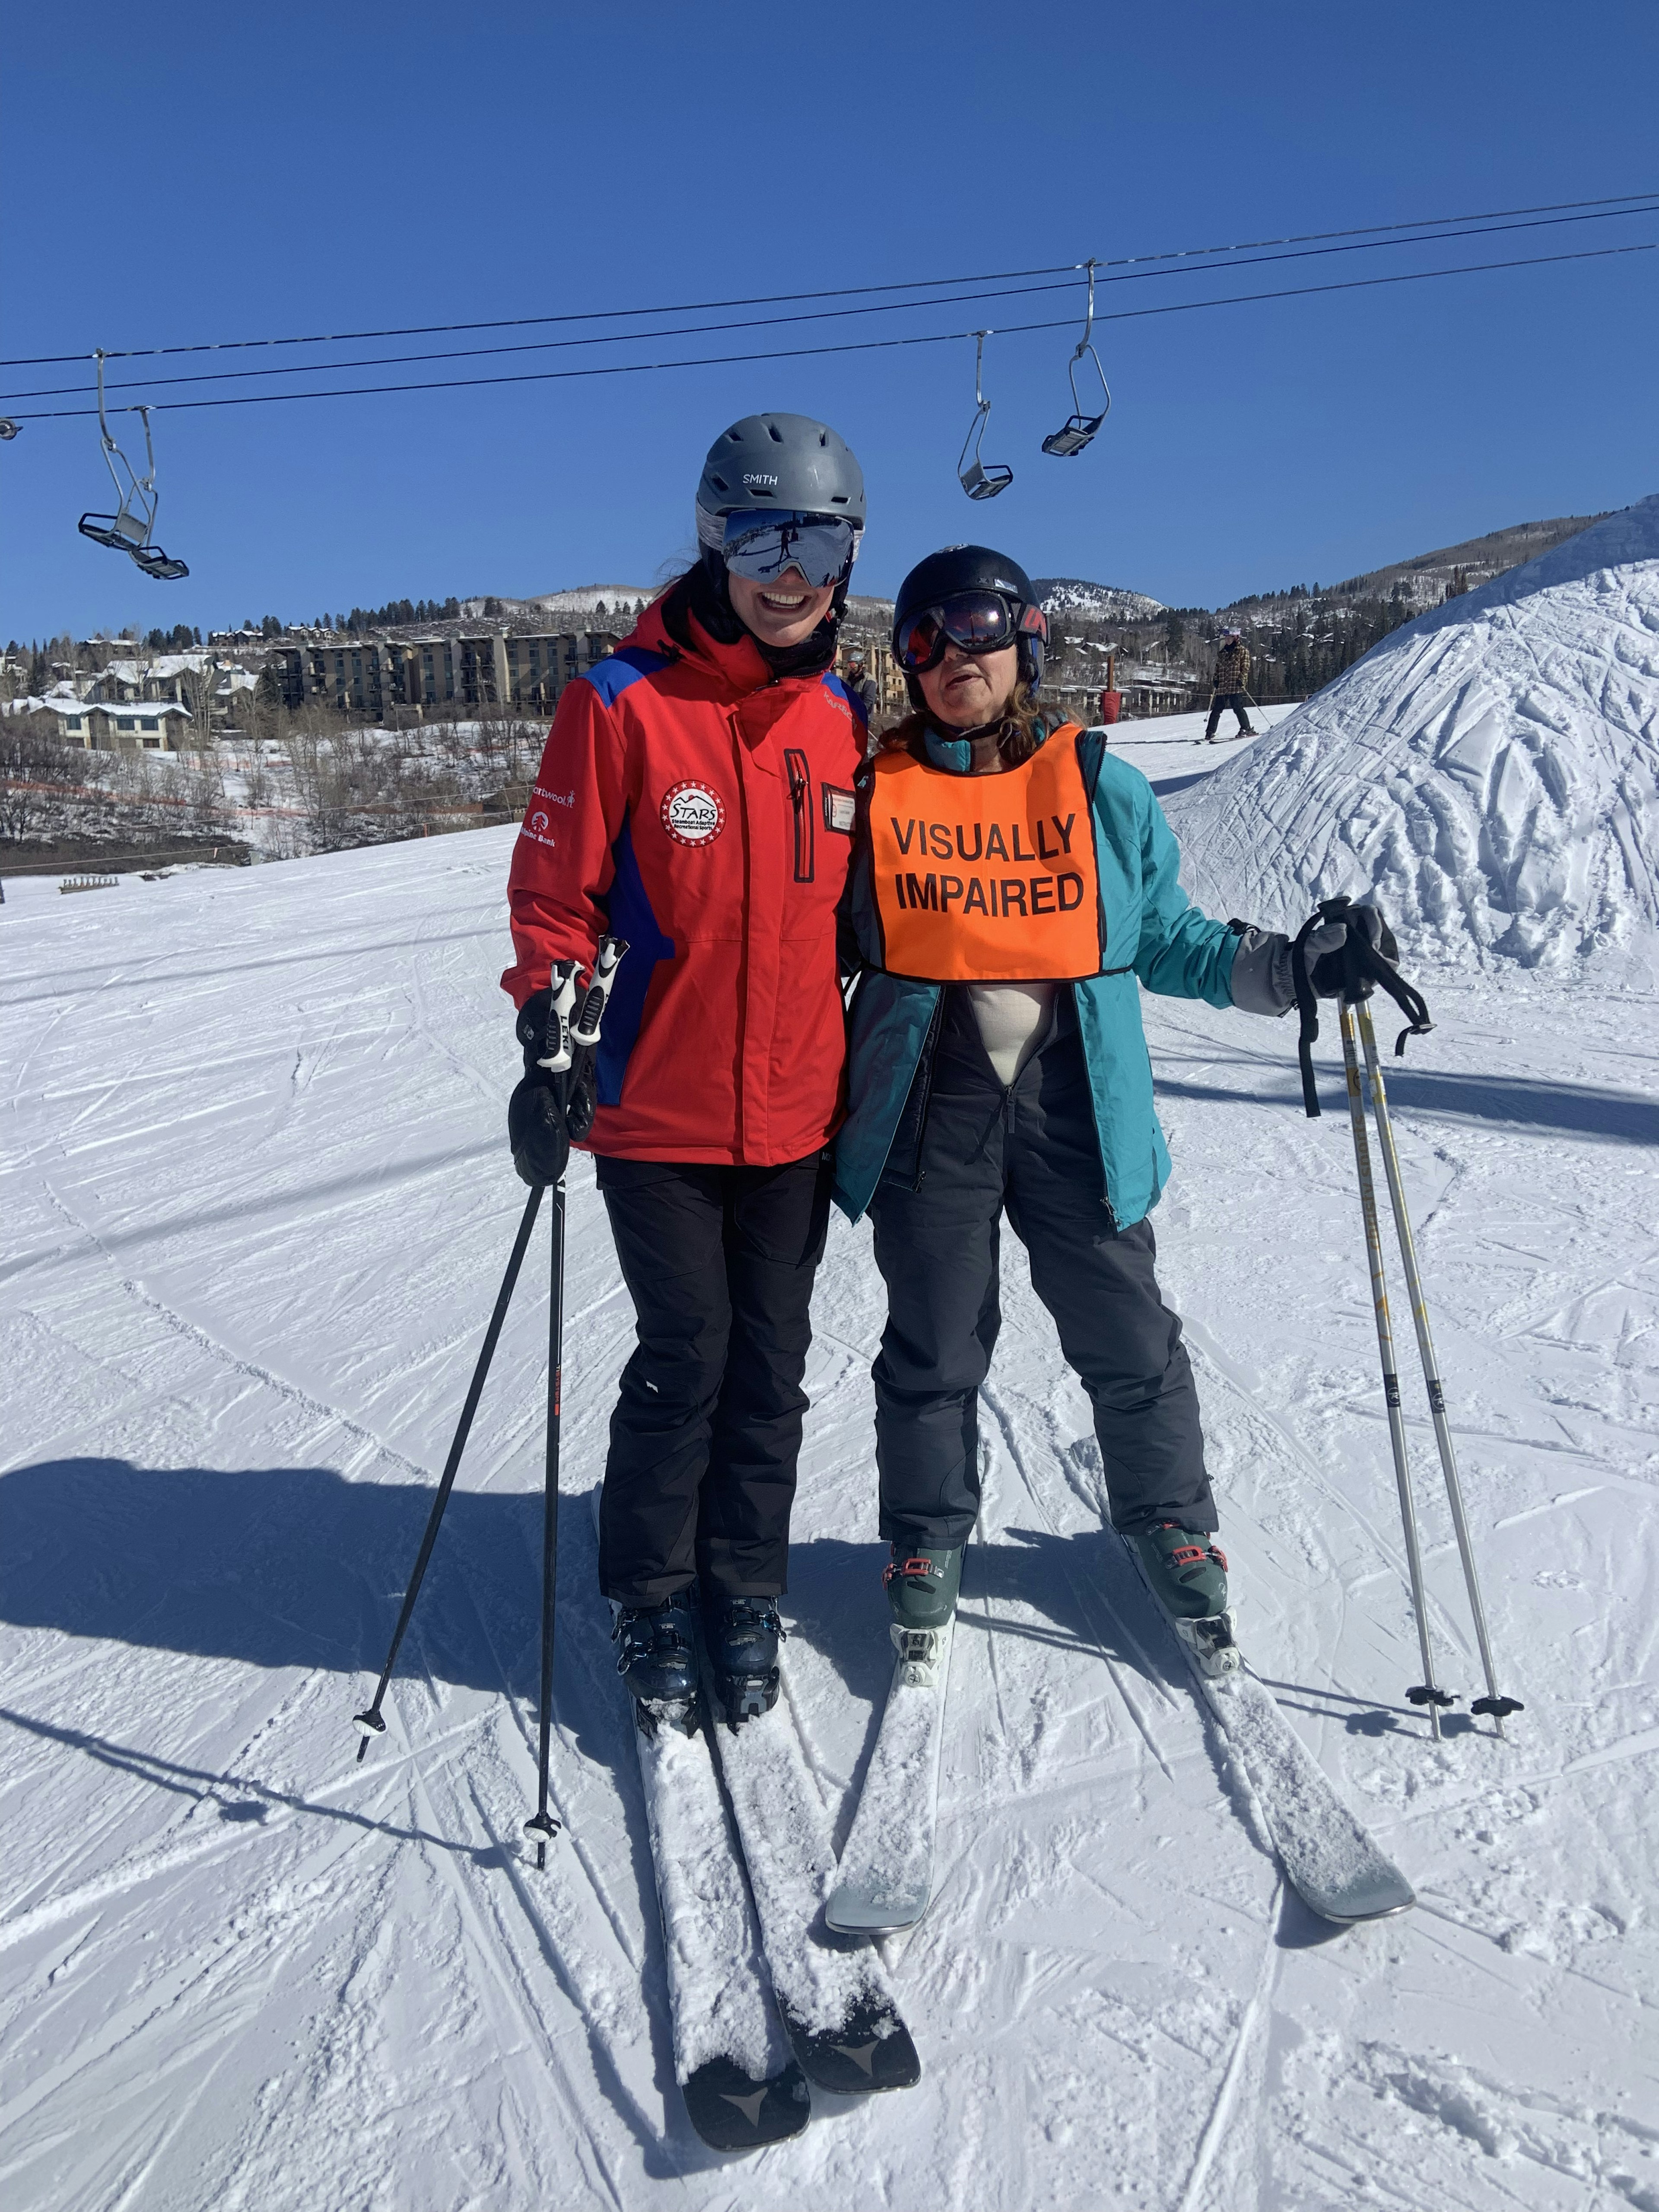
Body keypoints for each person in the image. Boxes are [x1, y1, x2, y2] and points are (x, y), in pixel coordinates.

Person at [833, 544, 1383, 1672]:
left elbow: (1168, 938)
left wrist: (1294, 970)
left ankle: (1172, 1522)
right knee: (934, 1345)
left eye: (978, 624)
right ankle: (926, 1541)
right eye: (925, 636)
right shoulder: (877, 796)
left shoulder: (1097, 788)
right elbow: (805, 951)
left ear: (1025, 641)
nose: (953, 655)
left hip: (1075, 1107)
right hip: (929, 1109)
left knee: (1129, 1336)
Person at [502, 412, 870, 1728]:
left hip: (795, 1109)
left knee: (771, 1363)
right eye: (762, 534)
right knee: (688, 1351)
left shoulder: (839, 716)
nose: (791, 570)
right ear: (715, 538)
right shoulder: (618, 701)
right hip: (654, 1104)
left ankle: (740, 1582)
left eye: (818, 537)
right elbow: (555, 892)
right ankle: (651, 1589)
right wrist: (548, 1017)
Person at [1205, 629, 1255, 742]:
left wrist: (1242, 679)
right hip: (1223, 685)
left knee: (1237, 708)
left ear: (1236, 638)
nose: (1227, 640)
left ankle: (1246, 728)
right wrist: (1216, 679)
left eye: (1230, 638)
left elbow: (1245, 667)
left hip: (1235, 684)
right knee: (1217, 709)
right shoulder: (1223, 653)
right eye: (1226, 638)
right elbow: (1218, 668)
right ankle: (1210, 732)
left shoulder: (1243, 651)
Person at [842, 642, 880, 723]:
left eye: (853, 665)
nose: (851, 668)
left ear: (861, 665)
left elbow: (868, 703)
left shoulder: (869, 680)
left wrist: (856, 713)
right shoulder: (849, 680)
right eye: (849, 665)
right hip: (849, 718)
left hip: (863, 719)